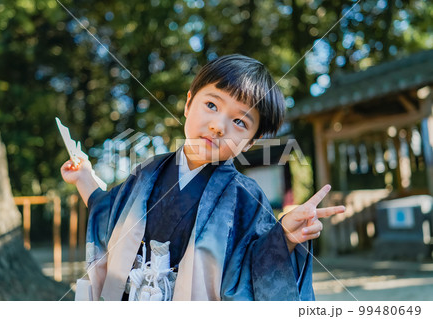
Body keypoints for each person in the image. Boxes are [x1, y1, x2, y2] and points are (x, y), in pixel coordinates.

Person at [61, 54, 345, 301]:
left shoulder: (245, 196)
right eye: (212, 105)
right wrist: (84, 178)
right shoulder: (147, 172)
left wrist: (284, 238)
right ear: (188, 104)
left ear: (249, 143)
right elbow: (110, 212)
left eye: (239, 122)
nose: (218, 126)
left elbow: (253, 268)